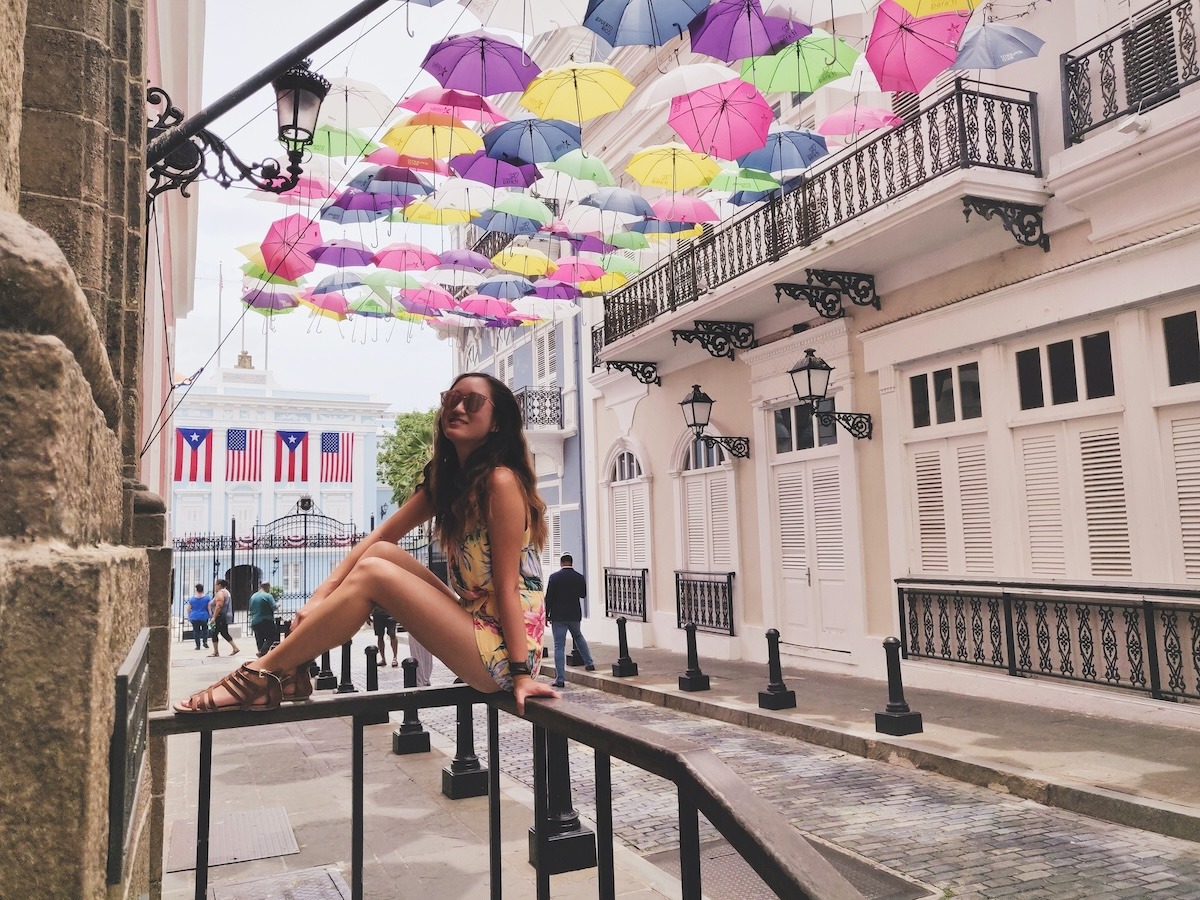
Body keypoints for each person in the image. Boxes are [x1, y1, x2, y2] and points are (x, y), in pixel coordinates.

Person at [174, 373, 560, 716]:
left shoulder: (501, 482)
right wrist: (320, 596)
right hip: (473, 618)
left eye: (472, 401)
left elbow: (510, 587)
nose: (456, 407)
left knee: (376, 571)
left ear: (497, 424)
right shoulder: (449, 483)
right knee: (379, 554)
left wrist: (522, 674)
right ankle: (288, 673)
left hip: (505, 653)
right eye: (450, 399)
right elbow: (378, 537)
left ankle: (262, 673)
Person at [545, 554, 595, 687]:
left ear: (561, 563)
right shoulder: (579, 577)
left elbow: (548, 597)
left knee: (559, 646)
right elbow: (583, 594)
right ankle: (589, 663)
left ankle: (560, 679)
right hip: (574, 614)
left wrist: (546, 615)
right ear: (571, 563)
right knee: (578, 636)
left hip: (558, 616)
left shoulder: (554, 578)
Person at [207, 578, 240, 658]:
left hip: (219, 616)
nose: (215, 586)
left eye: (216, 585)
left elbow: (219, 605)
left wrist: (214, 617)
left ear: (219, 585)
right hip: (223, 616)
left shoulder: (220, 593)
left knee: (214, 633)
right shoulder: (226, 592)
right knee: (224, 632)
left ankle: (216, 652)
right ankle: (235, 648)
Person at [248, 581, 279, 657]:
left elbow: (250, 608)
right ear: (268, 587)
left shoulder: (253, 596)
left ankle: (261, 654)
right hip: (266, 620)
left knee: (259, 638)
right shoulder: (268, 596)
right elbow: (274, 607)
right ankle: (262, 652)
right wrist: (278, 605)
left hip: (255, 620)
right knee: (272, 636)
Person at [371, 602, 399, 667]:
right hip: (377, 614)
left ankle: (395, 658)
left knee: (392, 634)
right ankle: (383, 659)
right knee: (380, 636)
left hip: (390, 613)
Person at [187, 584, 211, 650]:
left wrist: (189, 616)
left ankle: (198, 645)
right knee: (205, 629)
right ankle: (205, 641)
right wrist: (210, 615)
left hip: (194, 617)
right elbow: (209, 608)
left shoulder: (192, 599)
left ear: (196, 590)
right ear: (203, 589)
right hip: (204, 616)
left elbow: (189, 609)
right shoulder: (207, 598)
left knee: (196, 631)